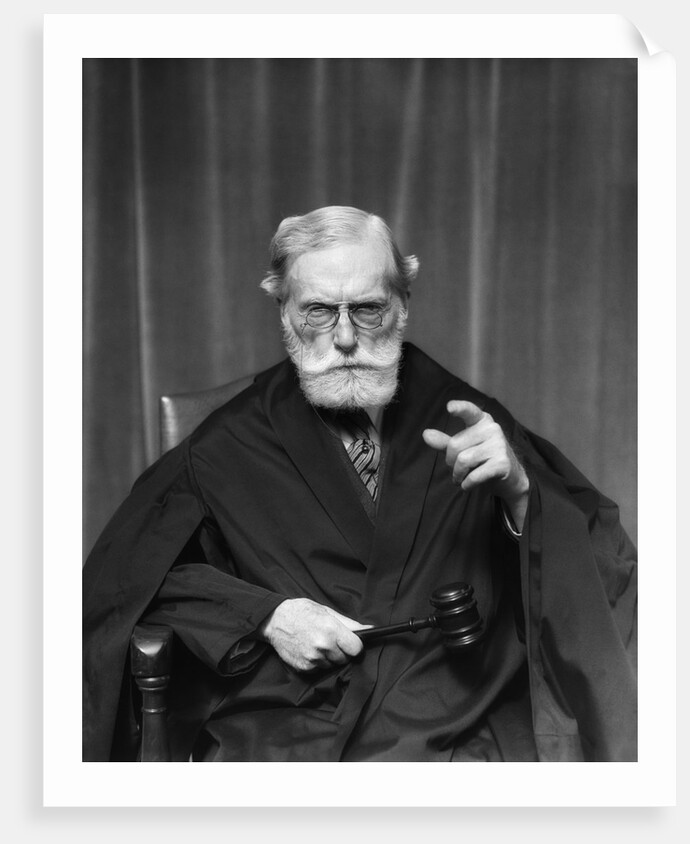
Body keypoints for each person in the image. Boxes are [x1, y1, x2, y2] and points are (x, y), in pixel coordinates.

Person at [82, 205, 637, 762]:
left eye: (368, 309)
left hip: (461, 710)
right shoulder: (226, 446)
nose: (345, 337)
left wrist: (520, 494)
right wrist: (266, 616)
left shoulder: (467, 419)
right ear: (283, 310)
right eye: (319, 311)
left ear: (403, 305)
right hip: (293, 721)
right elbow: (127, 582)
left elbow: (601, 563)